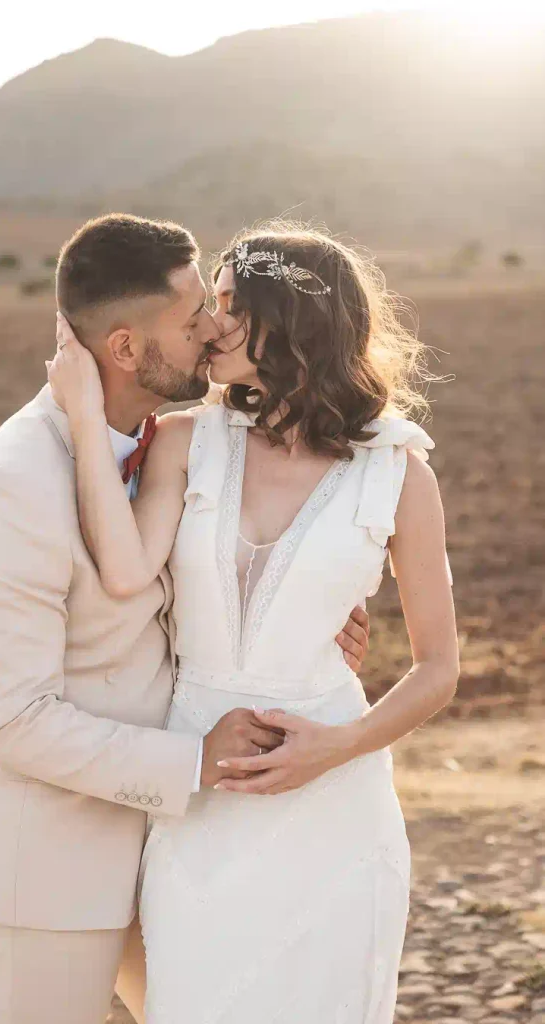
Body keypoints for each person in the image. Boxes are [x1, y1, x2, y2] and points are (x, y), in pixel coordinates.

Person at [0, 214, 370, 1024]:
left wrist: (304, 604)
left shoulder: (173, 441)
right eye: (191, 315)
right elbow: (13, 722)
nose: (214, 328)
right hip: (49, 863)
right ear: (126, 349)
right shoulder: (12, 486)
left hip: (173, 849)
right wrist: (193, 762)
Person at [48, 222, 459, 1024]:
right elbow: (127, 570)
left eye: (231, 305)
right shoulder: (186, 441)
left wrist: (338, 745)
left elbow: (437, 667)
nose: (211, 324)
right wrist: (82, 411)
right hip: (202, 787)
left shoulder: (398, 475)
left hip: (335, 801)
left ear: (290, 320)